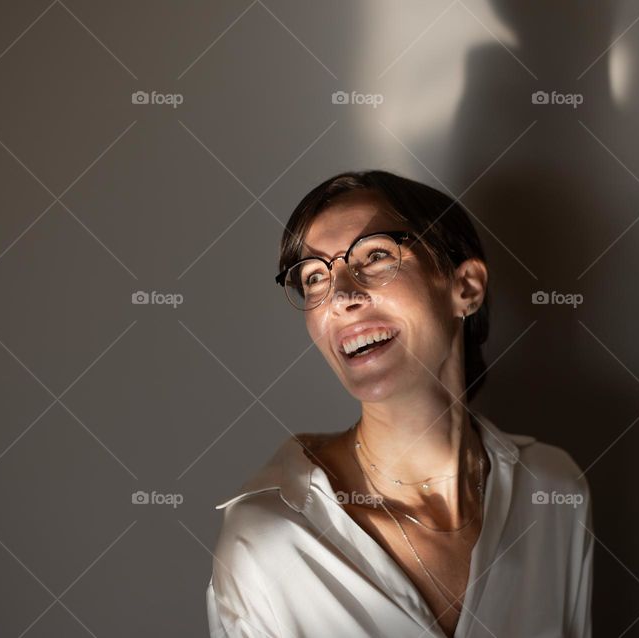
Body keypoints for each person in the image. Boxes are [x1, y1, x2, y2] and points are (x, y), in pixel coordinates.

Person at [206, 170, 593, 637]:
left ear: (464, 287)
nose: (342, 295)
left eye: (375, 256)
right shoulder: (267, 539)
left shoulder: (554, 492)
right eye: (313, 277)